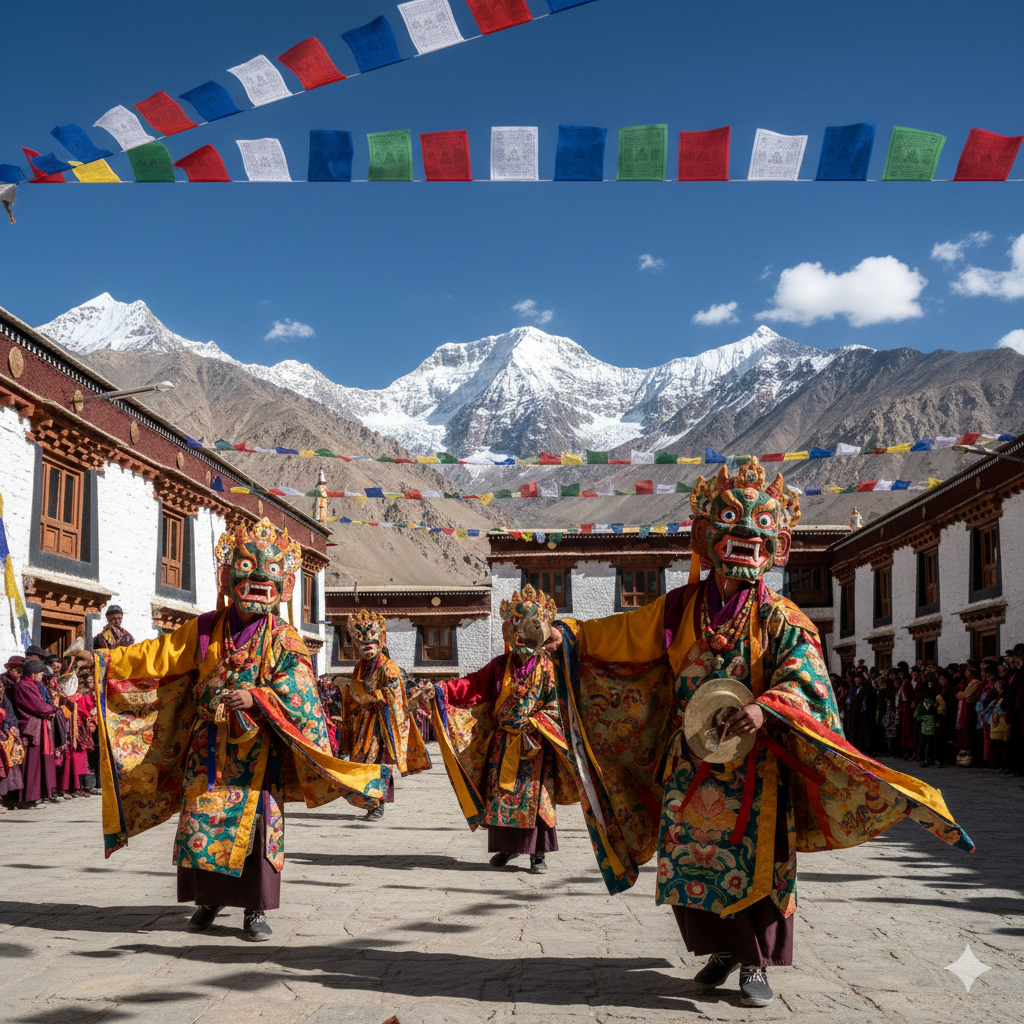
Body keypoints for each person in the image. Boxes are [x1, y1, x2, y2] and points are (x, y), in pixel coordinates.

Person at [544, 458, 973, 1008]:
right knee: (690, 858)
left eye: (758, 532)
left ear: (778, 546)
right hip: (690, 762)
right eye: (731, 526)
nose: (745, 539)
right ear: (707, 536)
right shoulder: (681, 607)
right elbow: (621, 635)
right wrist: (568, 634)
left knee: (757, 862)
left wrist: (767, 708)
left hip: (755, 767)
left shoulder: (782, 616)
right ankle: (719, 950)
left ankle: (754, 962)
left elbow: (806, 673)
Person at [75, 517, 389, 942]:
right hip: (208, 750)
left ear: (285, 586)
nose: (258, 580)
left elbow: (299, 691)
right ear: (227, 576)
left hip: (257, 752)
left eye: (269, 574)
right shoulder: (205, 629)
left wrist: (257, 699)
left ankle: (254, 910)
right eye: (246, 569)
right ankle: (210, 899)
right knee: (201, 823)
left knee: (257, 828)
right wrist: (103, 663)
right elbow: (158, 655)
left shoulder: (283, 636)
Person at [432, 586, 579, 874]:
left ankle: (537, 854)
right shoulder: (502, 665)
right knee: (501, 798)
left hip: (535, 746)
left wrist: (535, 722)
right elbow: (472, 686)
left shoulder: (548, 668)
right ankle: (508, 847)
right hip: (503, 743)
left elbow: (557, 706)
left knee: (536, 800)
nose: (522, 638)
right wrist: (439, 690)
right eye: (517, 630)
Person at [339, 609, 432, 821]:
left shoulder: (388, 667)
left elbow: (394, 692)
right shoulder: (360, 666)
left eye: (371, 640)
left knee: (379, 764)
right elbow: (354, 691)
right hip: (365, 723)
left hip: (383, 723)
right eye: (361, 642)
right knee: (362, 762)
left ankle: (377, 805)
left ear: (381, 639)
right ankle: (372, 802)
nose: (366, 645)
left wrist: (369, 695)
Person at [11, 658, 58, 808]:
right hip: (31, 729)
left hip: (39, 726)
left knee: (38, 765)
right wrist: (53, 708)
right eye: (40, 673)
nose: (41, 676)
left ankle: (35, 797)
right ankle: (26, 799)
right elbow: (38, 706)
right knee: (31, 765)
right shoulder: (23, 686)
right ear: (32, 674)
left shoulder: (33, 685)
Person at [0, 658, 26, 809]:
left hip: (5, 734)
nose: (1, 690)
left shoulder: (5, 697)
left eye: (2, 688)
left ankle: (8, 798)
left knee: (11, 764)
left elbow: (10, 714)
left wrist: (13, 727)